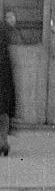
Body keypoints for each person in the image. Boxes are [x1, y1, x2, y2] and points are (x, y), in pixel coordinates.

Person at [0, 8, 15, 157]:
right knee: (3, 109)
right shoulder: (4, 29)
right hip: (4, 73)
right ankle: (3, 141)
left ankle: (3, 141)